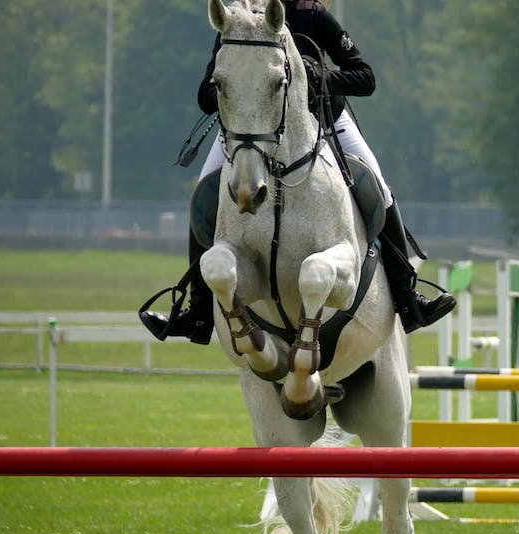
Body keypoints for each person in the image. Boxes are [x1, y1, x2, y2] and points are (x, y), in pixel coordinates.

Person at [140, 0, 454, 344]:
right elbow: (205, 95)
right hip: (254, 129)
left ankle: (409, 300)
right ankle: (198, 312)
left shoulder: (311, 14)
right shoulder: (238, 22)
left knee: (378, 186)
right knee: (204, 191)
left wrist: (320, 76)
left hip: (323, 118)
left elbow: (365, 77)